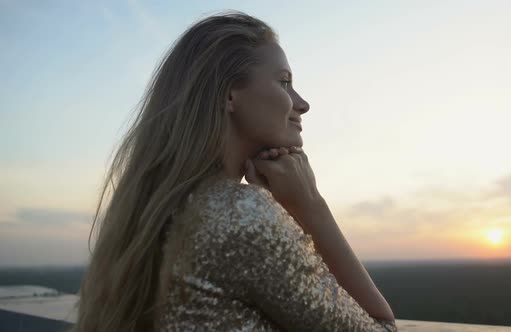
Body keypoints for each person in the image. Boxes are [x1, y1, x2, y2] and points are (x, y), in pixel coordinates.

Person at [71, 10, 397, 332]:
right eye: (284, 82)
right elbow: (382, 327)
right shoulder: (240, 216)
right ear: (229, 95)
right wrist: (310, 206)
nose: (302, 103)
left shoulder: (167, 210)